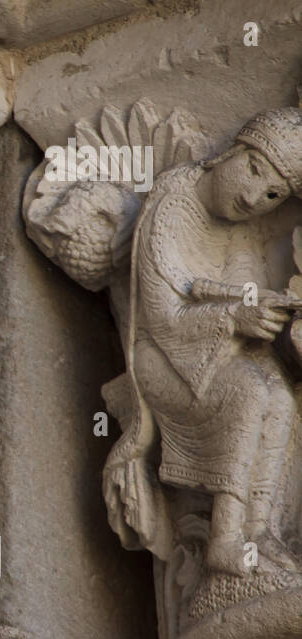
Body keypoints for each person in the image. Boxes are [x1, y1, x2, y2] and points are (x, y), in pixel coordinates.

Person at [118, 107, 302, 576]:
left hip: (209, 351)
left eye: (273, 195)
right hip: (160, 357)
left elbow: (243, 289)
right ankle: (223, 541)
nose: (254, 198)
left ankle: (257, 533)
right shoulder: (174, 201)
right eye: (255, 171)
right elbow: (162, 318)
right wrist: (234, 318)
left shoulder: (238, 230)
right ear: (232, 152)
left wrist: (265, 311)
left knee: (279, 395)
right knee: (249, 391)